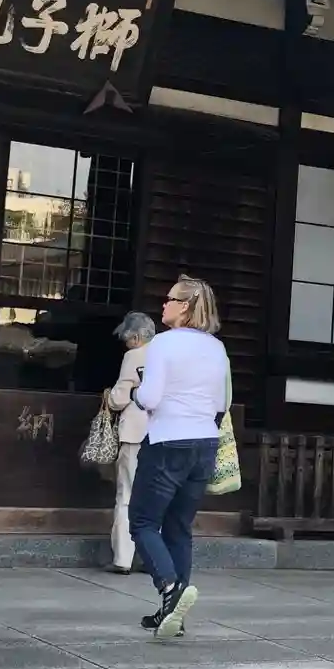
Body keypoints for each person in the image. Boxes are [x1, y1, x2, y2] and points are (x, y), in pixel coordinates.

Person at [128, 273, 230, 639]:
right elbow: (222, 402)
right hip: (205, 443)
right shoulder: (217, 348)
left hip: (168, 441)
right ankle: (174, 615)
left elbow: (150, 398)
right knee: (179, 527)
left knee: (142, 522)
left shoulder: (163, 343)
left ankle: (170, 588)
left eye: (170, 299)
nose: (164, 304)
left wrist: (136, 393)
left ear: (184, 307)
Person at [105, 311, 156, 574]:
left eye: (126, 338)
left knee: (126, 497)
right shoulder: (167, 354)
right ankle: (152, 558)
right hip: (161, 433)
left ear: (136, 337)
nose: (126, 343)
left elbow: (119, 398)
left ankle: (123, 559)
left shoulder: (134, 356)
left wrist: (109, 396)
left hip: (135, 433)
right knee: (156, 498)